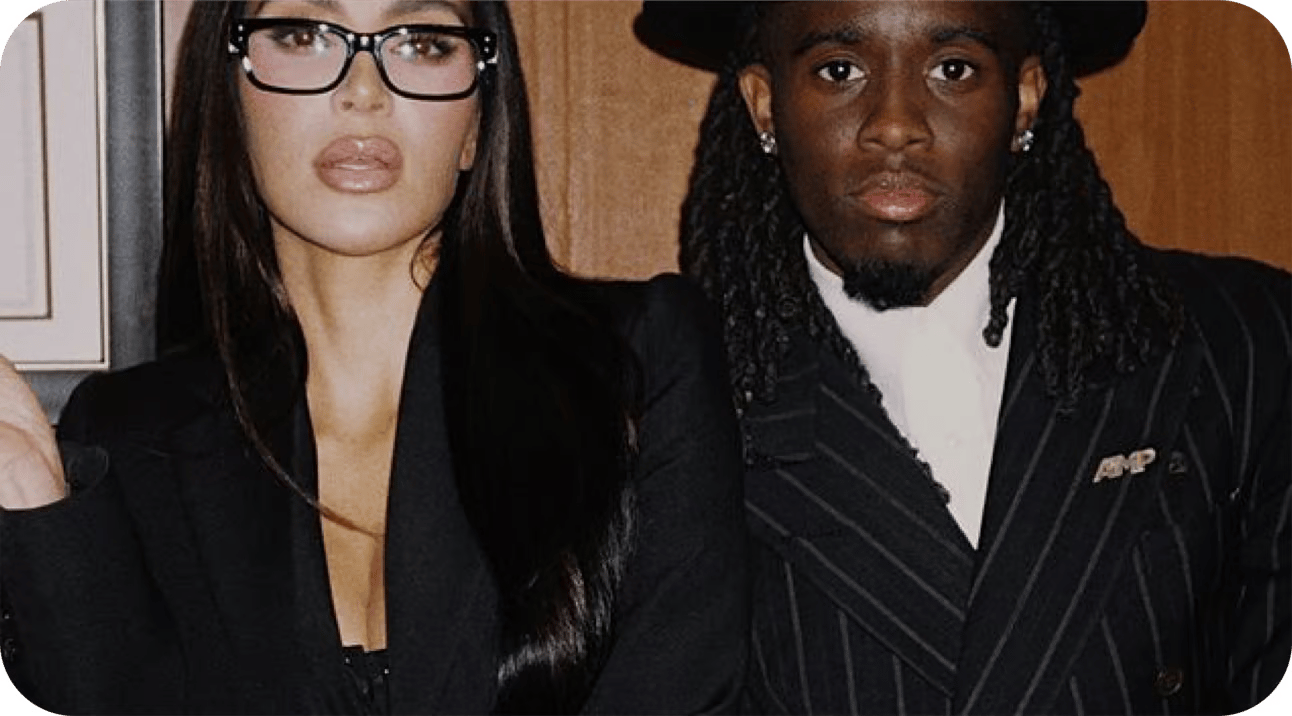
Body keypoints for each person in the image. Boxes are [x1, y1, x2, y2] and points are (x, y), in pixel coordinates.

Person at [0, 1, 748, 713]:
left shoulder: (638, 365)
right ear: (230, 98)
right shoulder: (124, 439)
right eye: (304, 35)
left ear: (476, 121)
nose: (363, 90)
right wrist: (33, 504)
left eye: (422, 43)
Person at [635, 1, 1291, 713]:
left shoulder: (1244, 343)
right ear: (765, 105)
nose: (895, 125)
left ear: (1025, 99)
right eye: (839, 70)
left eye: (953, 70)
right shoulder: (663, 400)